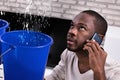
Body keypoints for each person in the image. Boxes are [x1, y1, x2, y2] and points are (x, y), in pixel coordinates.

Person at [44, 10, 120, 80]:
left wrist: (98, 71)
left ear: (98, 38)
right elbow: (55, 77)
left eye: (82, 28)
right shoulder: (68, 54)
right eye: (72, 25)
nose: (71, 31)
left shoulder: (115, 72)